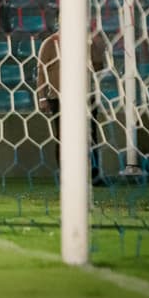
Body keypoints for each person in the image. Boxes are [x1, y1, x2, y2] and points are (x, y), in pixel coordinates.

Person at [36, 29, 105, 183]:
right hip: (59, 97)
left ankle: (94, 175)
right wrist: (42, 98)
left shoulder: (87, 42)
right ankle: (66, 176)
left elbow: (98, 67)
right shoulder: (49, 43)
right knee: (62, 137)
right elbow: (41, 71)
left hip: (85, 97)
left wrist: (97, 47)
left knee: (91, 135)